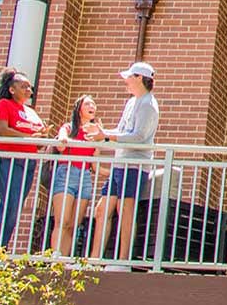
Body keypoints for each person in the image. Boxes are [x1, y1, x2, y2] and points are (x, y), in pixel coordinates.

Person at [90, 62, 159, 272]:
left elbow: (139, 137)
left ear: (140, 78)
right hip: (120, 163)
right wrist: (102, 134)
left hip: (135, 164)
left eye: (129, 77)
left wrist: (108, 135)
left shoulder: (148, 104)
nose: (126, 81)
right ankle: (94, 260)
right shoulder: (131, 102)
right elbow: (121, 130)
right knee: (102, 209)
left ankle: (124, 259)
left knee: (126, 208)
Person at [0, 68, 49, 249]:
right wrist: (30, 138)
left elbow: (37, 144)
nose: (29, 91)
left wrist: (42, 137)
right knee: (11, 205)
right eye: (24, 87)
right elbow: (2, 130)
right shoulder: (3, 105)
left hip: (27, 162)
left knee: (14, 206)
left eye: (30, 87)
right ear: (12, 89)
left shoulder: (31, 112)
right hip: (6, 159)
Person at [47, 95, 104, 257]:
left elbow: (95, 164)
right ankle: (56, 256)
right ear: (79, 108)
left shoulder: (94, 132)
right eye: (88, 103)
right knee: (62, 221)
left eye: (93, 103)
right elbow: (61, 145)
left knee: (74, 224)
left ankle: (64, 258)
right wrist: (64, 139)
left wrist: (99, 139)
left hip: (85, 176)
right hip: (67, 172)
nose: (92, 106)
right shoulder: (69, 127)